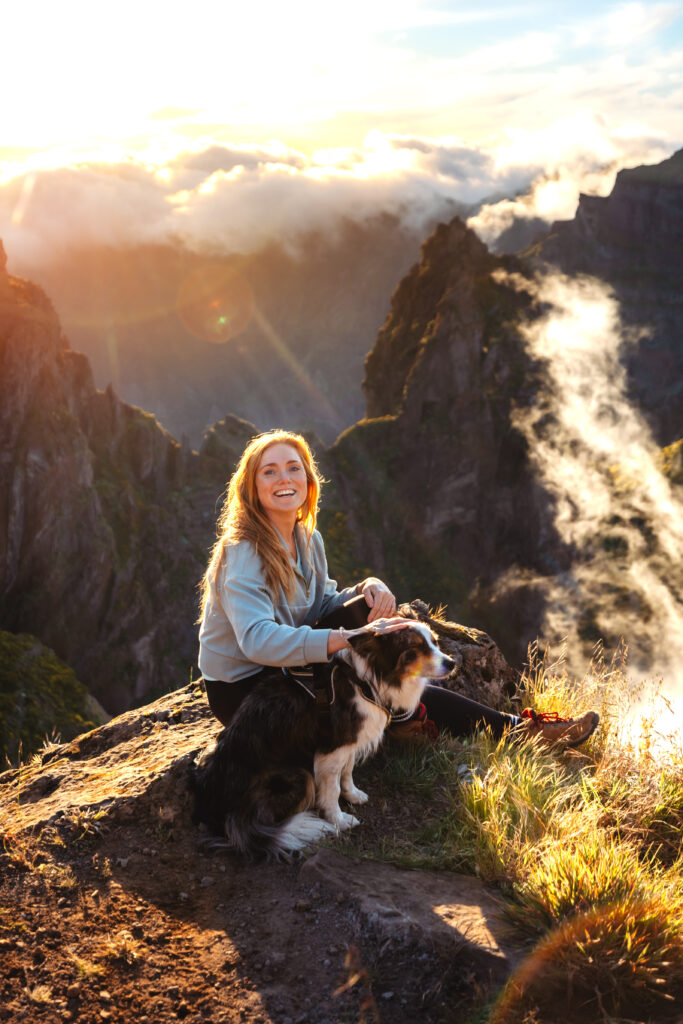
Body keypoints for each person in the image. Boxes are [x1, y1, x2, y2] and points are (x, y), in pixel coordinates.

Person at [198, 430, 599, 747]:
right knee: (363, 646)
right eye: (269, 471)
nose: (283, 479)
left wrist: (368, 589)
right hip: (246, 689)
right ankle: (496, 728)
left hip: (284, 665)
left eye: (293, 468)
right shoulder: (243, 553)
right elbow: (256, 641)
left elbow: (318, 603)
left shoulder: (306, 539)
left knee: (370, 615)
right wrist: (346, 637)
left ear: (308, 479)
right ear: (252, 488)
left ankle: (478, 726)